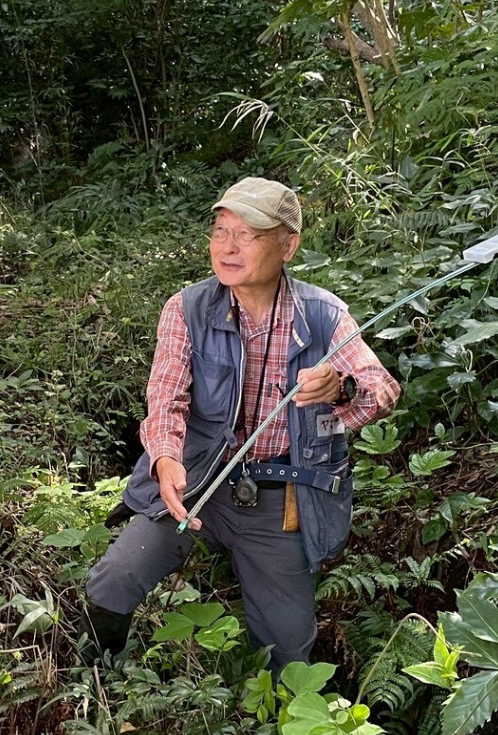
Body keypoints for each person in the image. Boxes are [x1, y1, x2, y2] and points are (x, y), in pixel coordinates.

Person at [84, 178, 400, 674]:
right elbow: (166, 400)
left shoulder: (322, 315)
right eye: (220, 230)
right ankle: (97, 681)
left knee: (288, 648)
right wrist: (166, 460)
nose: (228, 246)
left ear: (288, 245)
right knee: (114, 580)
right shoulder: (187, 309)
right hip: (194, 484)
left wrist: (341, 389)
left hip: (277, 497)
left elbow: (381, 389)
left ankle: (277, 734)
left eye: (248, 234)